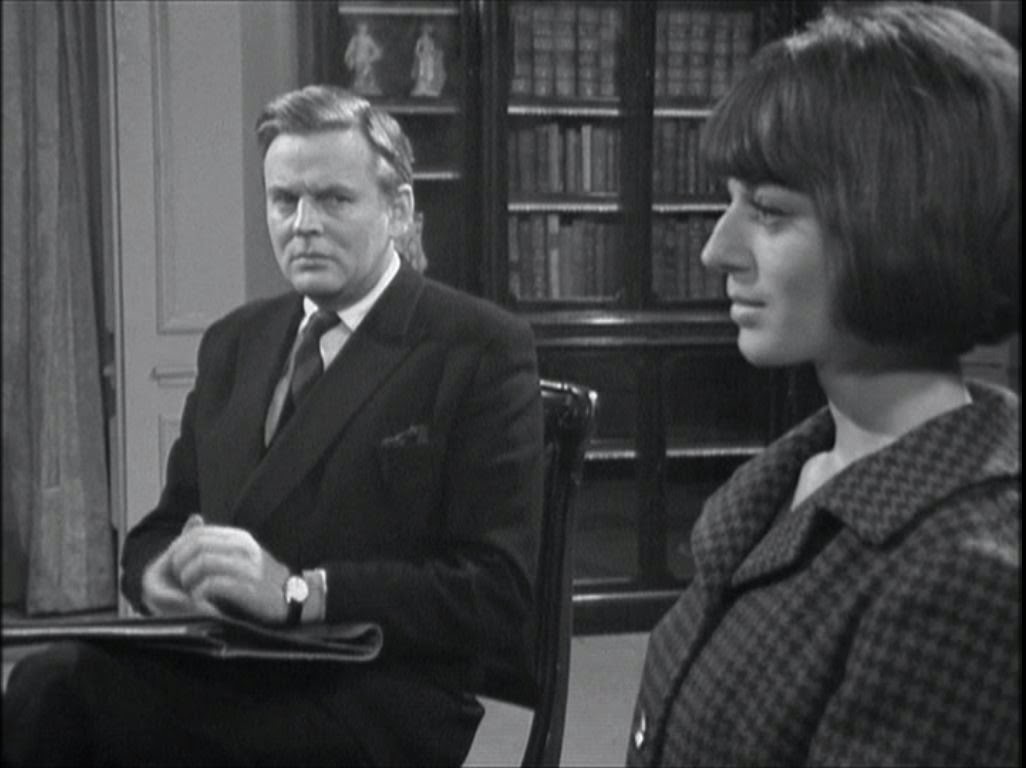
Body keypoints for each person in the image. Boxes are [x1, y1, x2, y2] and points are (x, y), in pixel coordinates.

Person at [3, 85, 544, 766]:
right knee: (49, 683)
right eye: (284, 200)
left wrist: (300, 591)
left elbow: (496, 594)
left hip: (375, 687)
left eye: (334, 199)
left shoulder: (478, 346)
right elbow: (165, 524)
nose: (302, 224)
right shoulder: (235, 342)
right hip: (234, 660)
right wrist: (160, 575)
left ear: (399, 210)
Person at [628, 3, 1019, 766]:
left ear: (905, 224)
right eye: (729, 201)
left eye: (769, 212)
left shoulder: (967, 572)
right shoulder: (797, 472)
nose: (715, 250)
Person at [345, 21, 383, 96]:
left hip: (366, 60)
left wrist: (374, 55)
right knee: (359, 75)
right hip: (358, 59)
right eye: (361, 28)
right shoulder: (355, 38)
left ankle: (369, 86)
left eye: (364, 28)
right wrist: (348, 57)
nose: (362, 30)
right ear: (358, 29)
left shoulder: (368, 39)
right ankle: (359, 86)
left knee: (369, 73)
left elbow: (375, 48)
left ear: (366, 29)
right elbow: (350, 49)